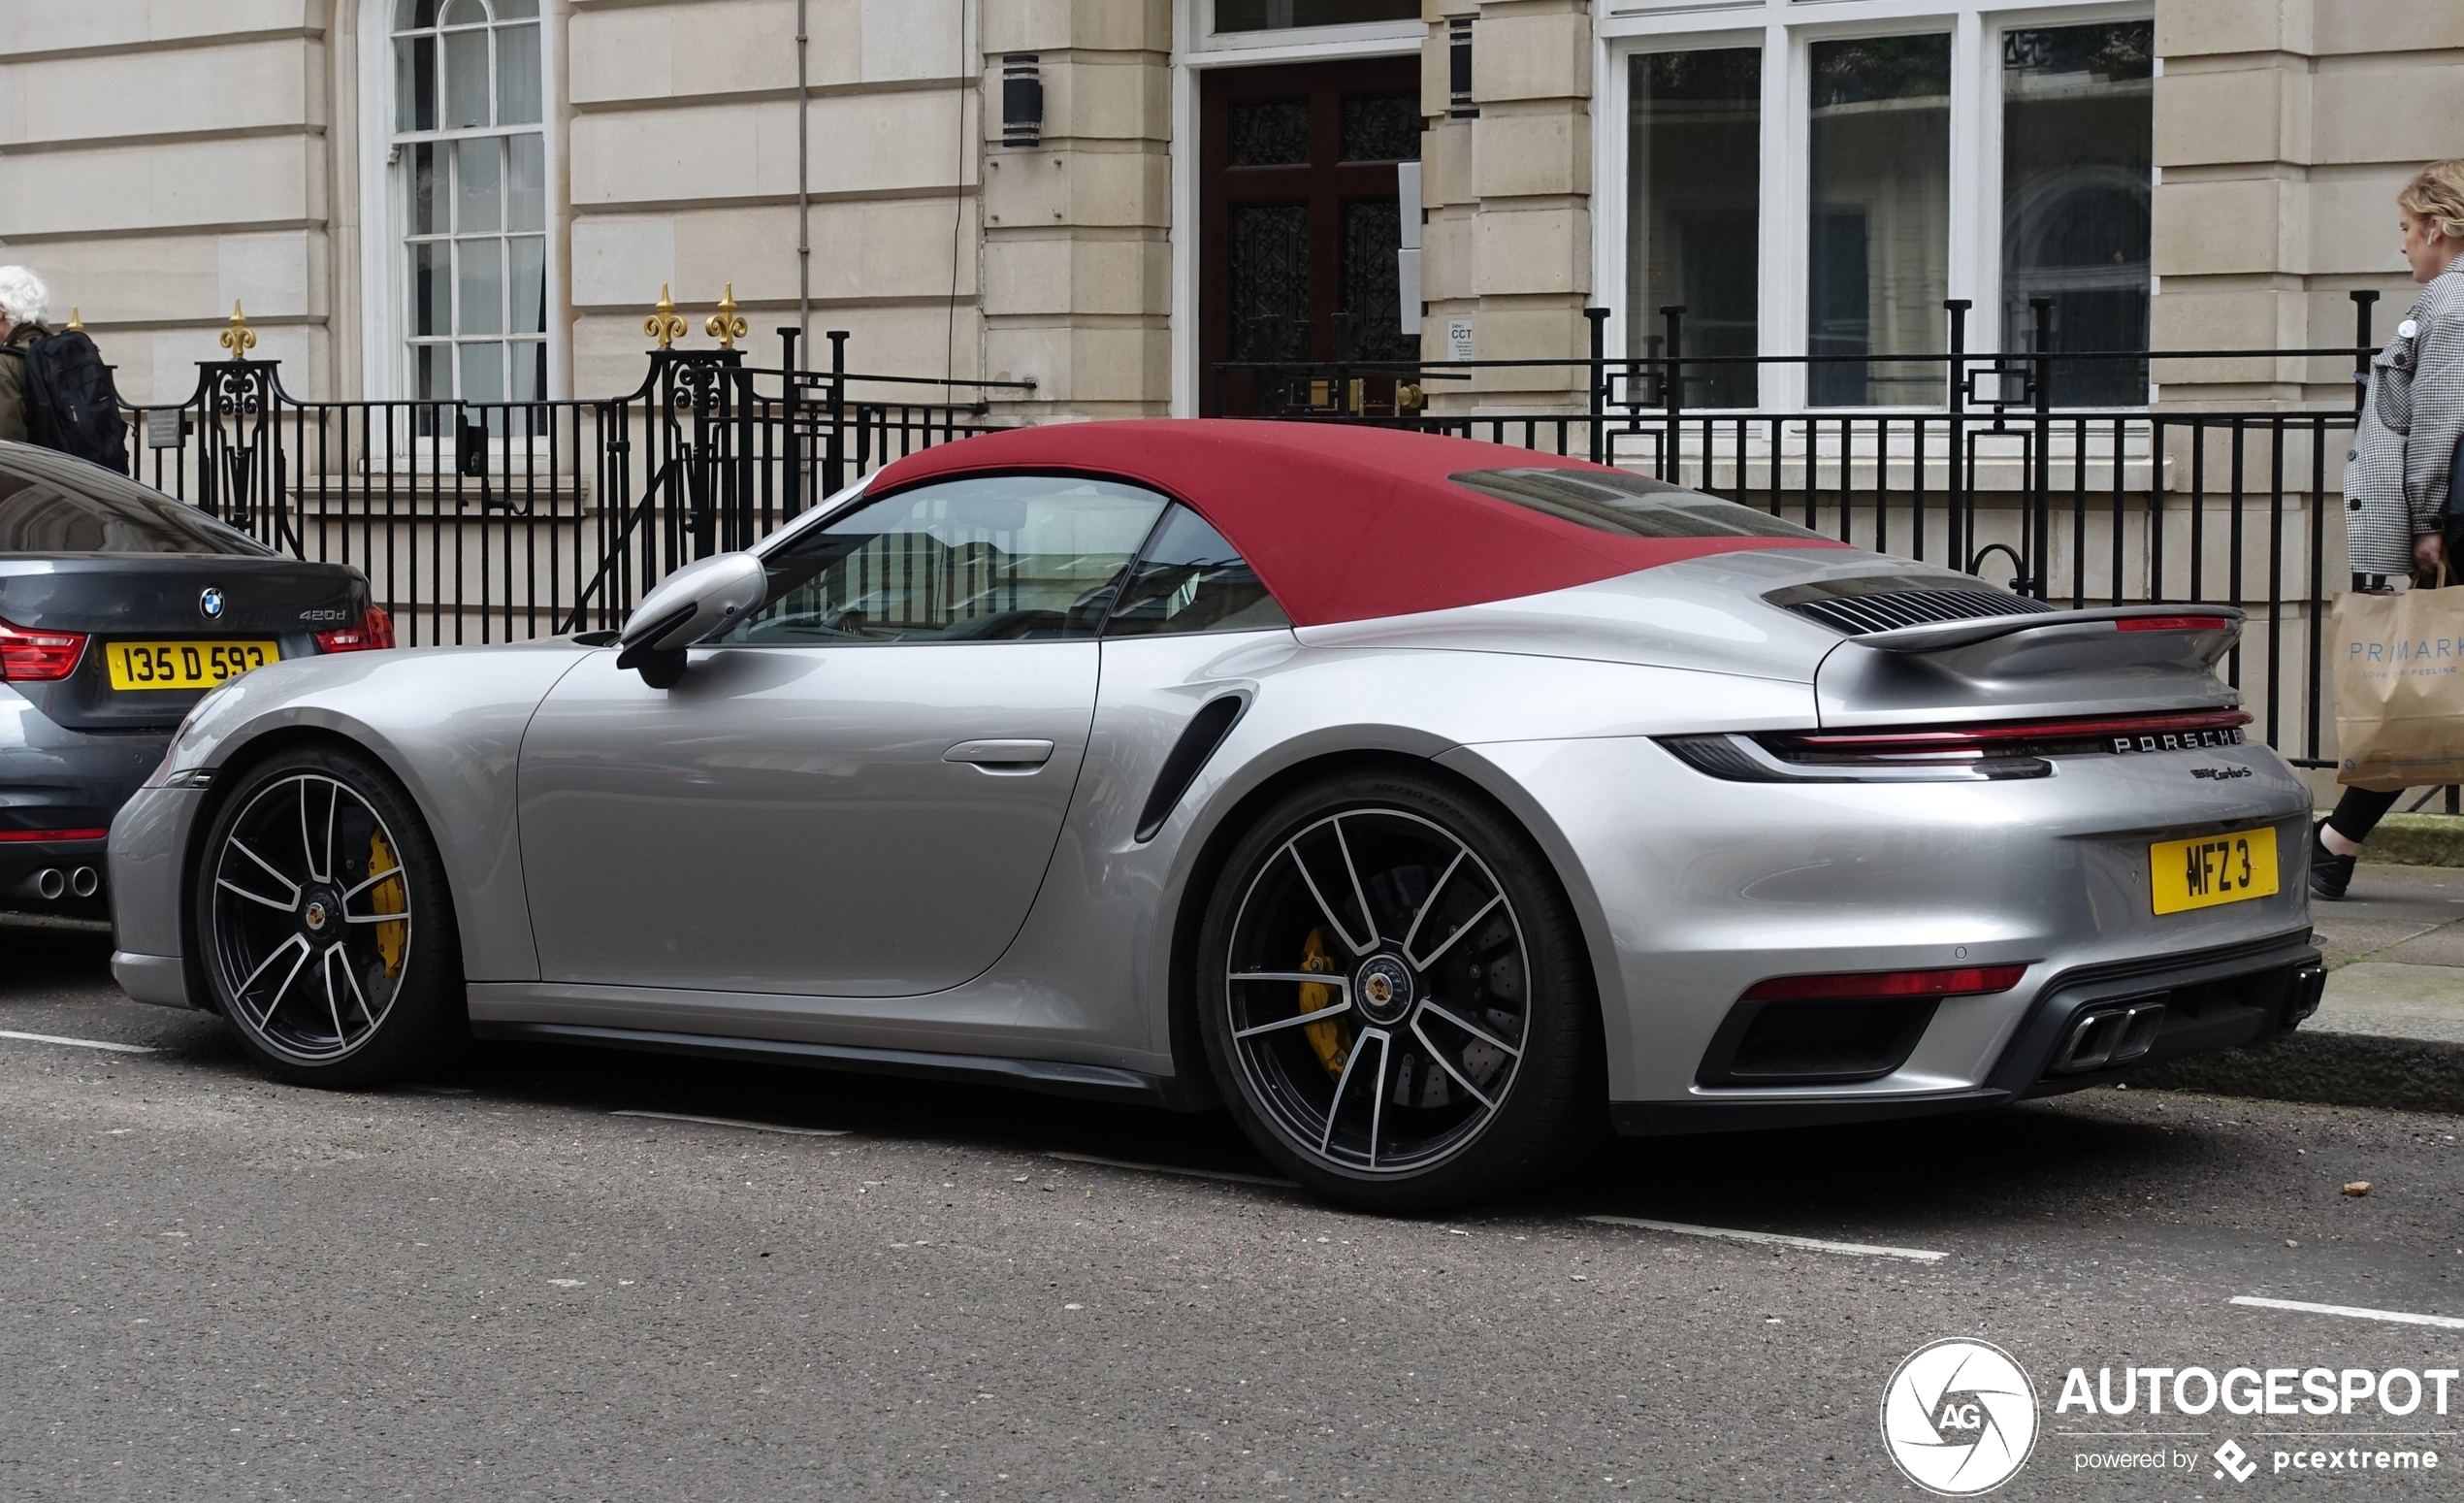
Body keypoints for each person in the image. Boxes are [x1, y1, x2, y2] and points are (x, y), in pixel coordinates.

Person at [2313, 160, 2464, 899]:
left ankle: (2335, 842)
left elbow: (2438, 422)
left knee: (2429, 685)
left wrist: (2428, 519)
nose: (2403, 245)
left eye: (2407, 229)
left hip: (2460, 519)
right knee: (2437, 684)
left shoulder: (2453, 301)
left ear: (2439, 227)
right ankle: (2335, 842)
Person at [0, 265, 57, 444]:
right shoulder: (57, 351)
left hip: (30, 472)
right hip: (74, 471)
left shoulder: (6, 363)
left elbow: (6, 448)